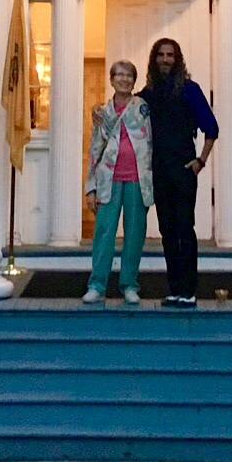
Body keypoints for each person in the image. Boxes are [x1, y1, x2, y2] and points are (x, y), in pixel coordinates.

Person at [141, 37, 218, 307]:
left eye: (170, 55)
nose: (165, 59)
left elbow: (212, 128)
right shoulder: (147, 94)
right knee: (166, 230)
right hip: (159, 173)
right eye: (161, 55)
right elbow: (125, 115)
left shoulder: (189, 90)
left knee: (185, 228)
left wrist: (201, 161)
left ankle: (189, 290)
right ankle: (174, 289)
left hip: (184, 171)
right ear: (154, 59)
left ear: (177, 59)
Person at [83, 60, 153, 306]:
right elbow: (95, 149)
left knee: (135, 234)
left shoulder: (144, 106)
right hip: (108, 180)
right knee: (104, 233)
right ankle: (96, 285)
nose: (124, 79)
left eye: (129, 76)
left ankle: (129, 285)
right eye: (119, 75)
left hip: (138, 180)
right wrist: (90, 188)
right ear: (111, 79)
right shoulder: (102, 112)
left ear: (135, 81)